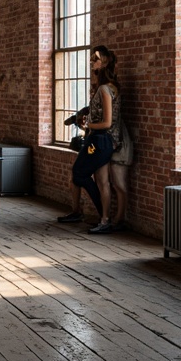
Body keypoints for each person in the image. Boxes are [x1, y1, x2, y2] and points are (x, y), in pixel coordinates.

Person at [75, 45, 123, 234]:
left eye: (95, 59)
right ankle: (105, 219)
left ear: (104, 63)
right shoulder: (110, 87)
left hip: (101, 141)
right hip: (102, 140)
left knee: (79, 173)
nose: (91, 62)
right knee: (102, 181)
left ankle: (105, 217)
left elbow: (107, 122)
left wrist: (88, 126)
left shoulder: (104, 89)